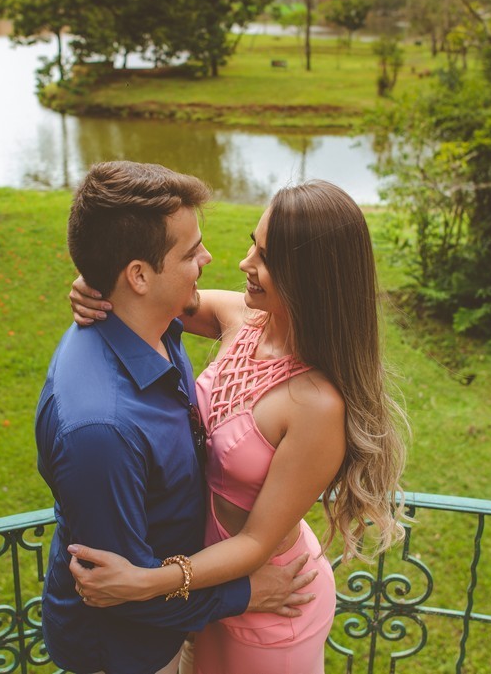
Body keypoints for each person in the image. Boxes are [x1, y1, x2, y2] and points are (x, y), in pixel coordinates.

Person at [67, 180, 409, 674]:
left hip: (270, 604)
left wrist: (144, 581)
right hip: (212, 590)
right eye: (254, 242)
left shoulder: (316, 405)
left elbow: (254, 544)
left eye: (266, 257)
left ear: (309, 278)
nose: (246, 262)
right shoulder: (244, 318)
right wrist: (96, 286)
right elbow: (152, 291)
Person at [35, 161, 317, 674]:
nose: (213, 259)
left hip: (185, 611)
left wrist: (101, 274)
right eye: (191, 253)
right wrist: (244, 594)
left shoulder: (160, 321)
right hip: (127, 654)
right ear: (140, 276)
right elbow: (117, 589)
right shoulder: (103, 431)